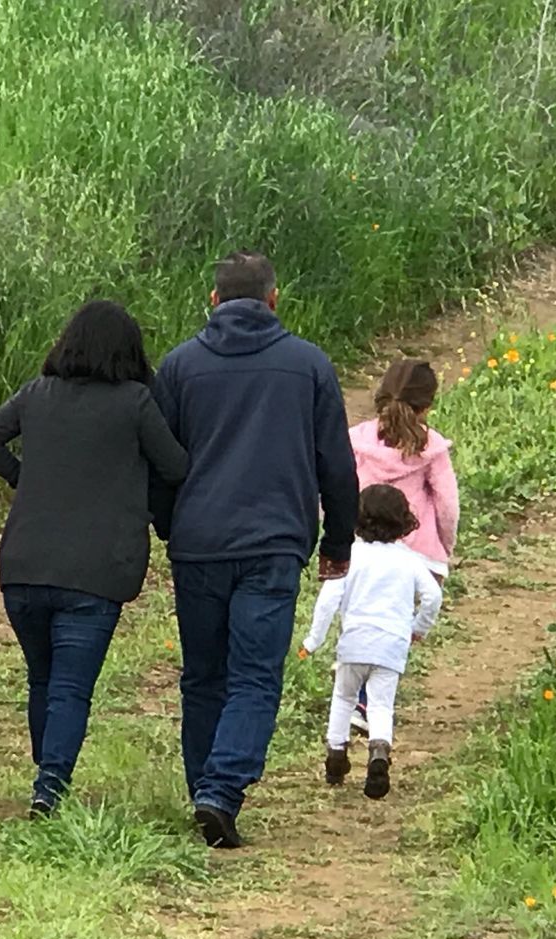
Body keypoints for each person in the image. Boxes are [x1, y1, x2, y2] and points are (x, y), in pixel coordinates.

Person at [152, 250, 358, 848]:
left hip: (199, 545)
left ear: (213, 301)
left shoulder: (180, 366)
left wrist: (172, 526)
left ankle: (205, 790)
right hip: (272, 546)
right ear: (274, 299)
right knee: (255, 677)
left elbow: (160, 465)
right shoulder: (308, 365)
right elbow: (337, 467)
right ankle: (220, 792)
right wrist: (337, 543)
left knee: (203, 676)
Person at [0, 300, 188, 817]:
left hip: (25, 563)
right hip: (96, 569)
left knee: (42, 678)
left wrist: (26, 477)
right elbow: (176, 466)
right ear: (128, 352)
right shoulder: (134, 403)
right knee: (70, 685)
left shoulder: (37, 394)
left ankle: (46, 773)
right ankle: (50, 786)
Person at [301, 484, 442, 799]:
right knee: (381, 705)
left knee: (343, 698)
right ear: (404, 521)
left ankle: (336, 756)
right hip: (391, 645)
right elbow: (433, 596)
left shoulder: (350, 556)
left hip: (354, 643)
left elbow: (328, 600)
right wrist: (417, 628)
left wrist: (313, 640)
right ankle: (379, 752)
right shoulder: (409, 560)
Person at [346, 359, 460, 734]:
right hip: (416, 553)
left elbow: (337, 487)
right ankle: (371, 700)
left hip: (362, 549)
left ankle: (358, 692)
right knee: (396, 629)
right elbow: (446, 505)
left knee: (363, 618)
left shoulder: (358, 440)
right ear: (427, 406)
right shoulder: (432, 449)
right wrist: (444, 546)